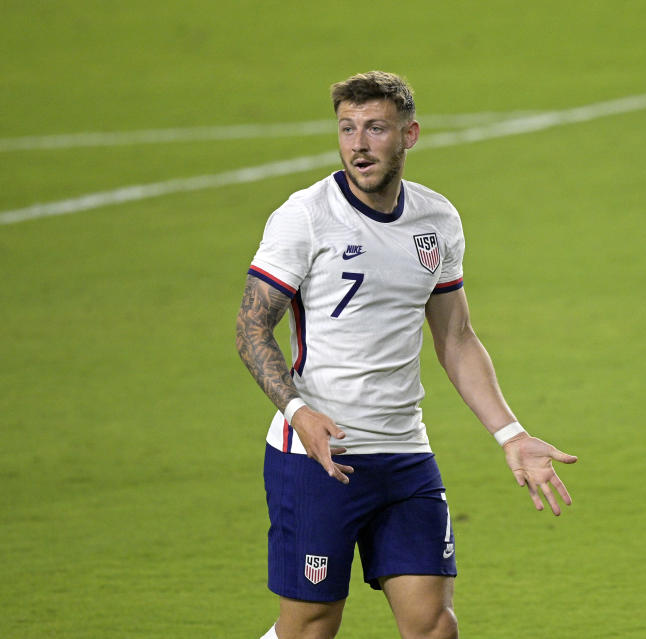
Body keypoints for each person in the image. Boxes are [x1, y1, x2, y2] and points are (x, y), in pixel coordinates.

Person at [236, 70, 578, 639]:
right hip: (319, 459)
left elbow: (457, 338)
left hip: (404, 455)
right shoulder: (305, 216)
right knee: (311, 626)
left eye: (375, 128)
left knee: (432, 625)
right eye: (347, 129)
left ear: (409, 135)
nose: (358, 144)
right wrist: (299, 414)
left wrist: (511, 435)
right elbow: (251, 329)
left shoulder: (435, 220)